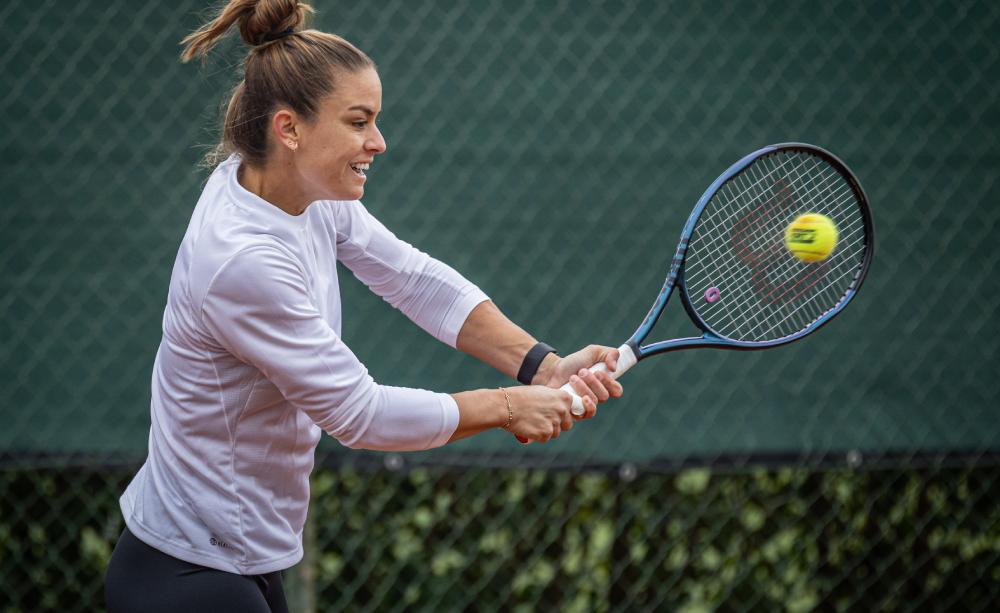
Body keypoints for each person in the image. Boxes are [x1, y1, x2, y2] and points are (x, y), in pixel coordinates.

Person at [103, 1, 624, 611]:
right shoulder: (241, 260)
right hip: (186, 574)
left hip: (241, 558)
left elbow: (412, 278)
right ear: (289, 129)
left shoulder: (296, 187)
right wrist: (508, 406)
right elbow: (361, 414)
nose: (378, 141)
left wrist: (541, 367)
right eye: (358, 122)